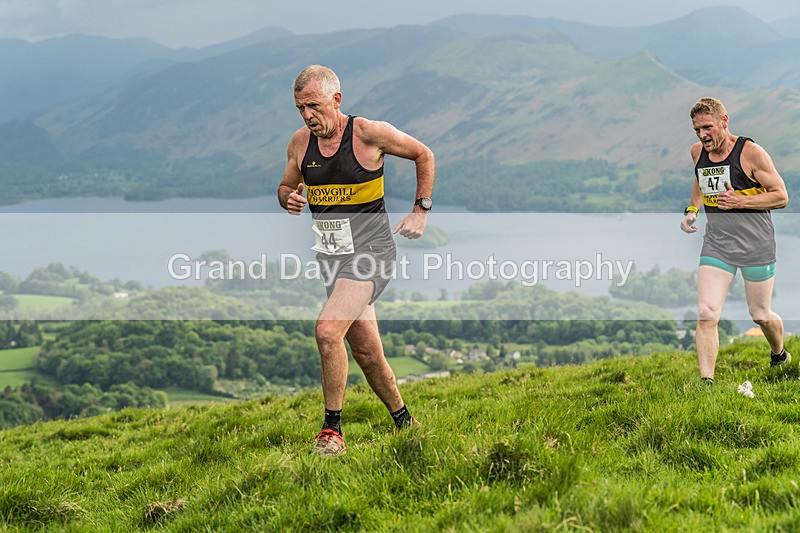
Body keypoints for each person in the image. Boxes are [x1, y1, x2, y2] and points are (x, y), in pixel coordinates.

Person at [277, 65, 435, 456]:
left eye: (314, 106)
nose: (308, 116)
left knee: (327, 331)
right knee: (367, 353)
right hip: (333, 260)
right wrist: (289, 198)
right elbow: (285, 186)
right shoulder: (300, 143)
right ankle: (406, 424)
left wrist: (420, 210)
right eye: (300, 108)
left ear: (336, 100)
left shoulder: (367, 134)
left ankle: (332, 432)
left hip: (371, 255)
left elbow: (423, 154)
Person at [680, 97, 790, 384]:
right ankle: (707, 382)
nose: (702, 135)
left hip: (756, 243)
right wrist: (692, 211)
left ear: (724, 122)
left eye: (707, 127)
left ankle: (779, 353)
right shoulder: (697, 152)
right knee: (706, 313)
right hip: (718, 243)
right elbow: (700, 179)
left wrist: (739, 199)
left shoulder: (751, 153)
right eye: (697, 130)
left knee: (760, 314)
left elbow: (781, 196)